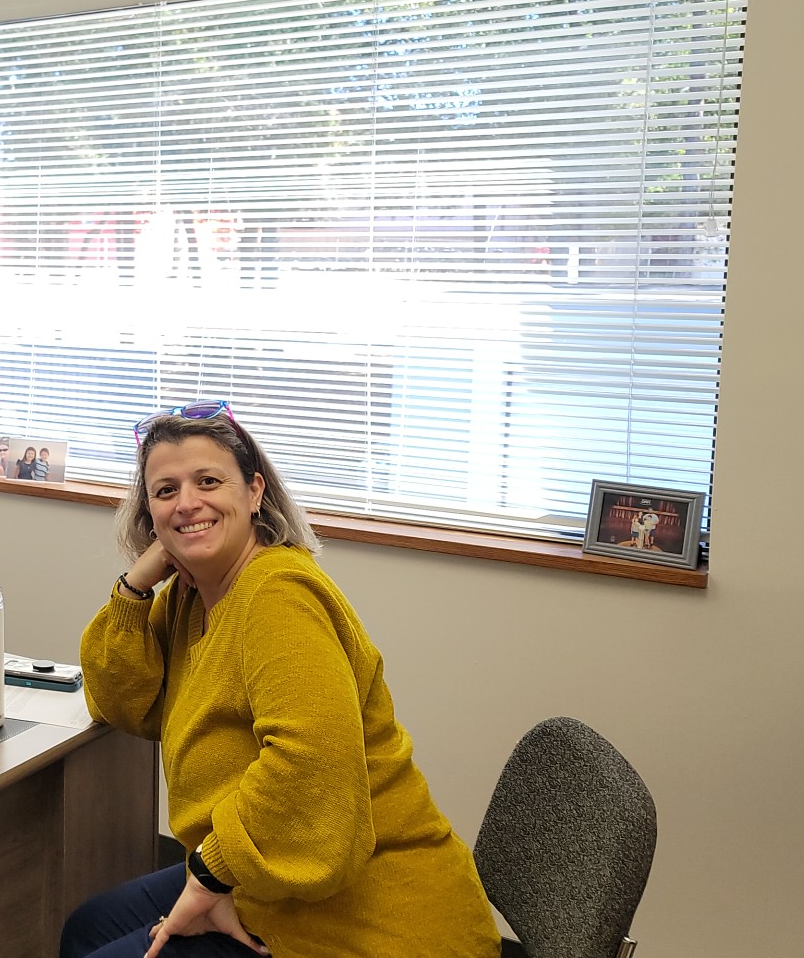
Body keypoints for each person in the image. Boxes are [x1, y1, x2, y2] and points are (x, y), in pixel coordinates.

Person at [62, 409, 500, 958]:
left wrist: (211, 874)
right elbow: (119, 702)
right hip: (261, 868)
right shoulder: (192, 597)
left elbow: (309, 763)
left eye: (208, 481)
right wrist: (134, 587)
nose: (187, 503)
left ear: (254, 492)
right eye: (166, 490)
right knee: (88, 927)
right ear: (149, 512)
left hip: (371, 913)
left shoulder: (277, 596)